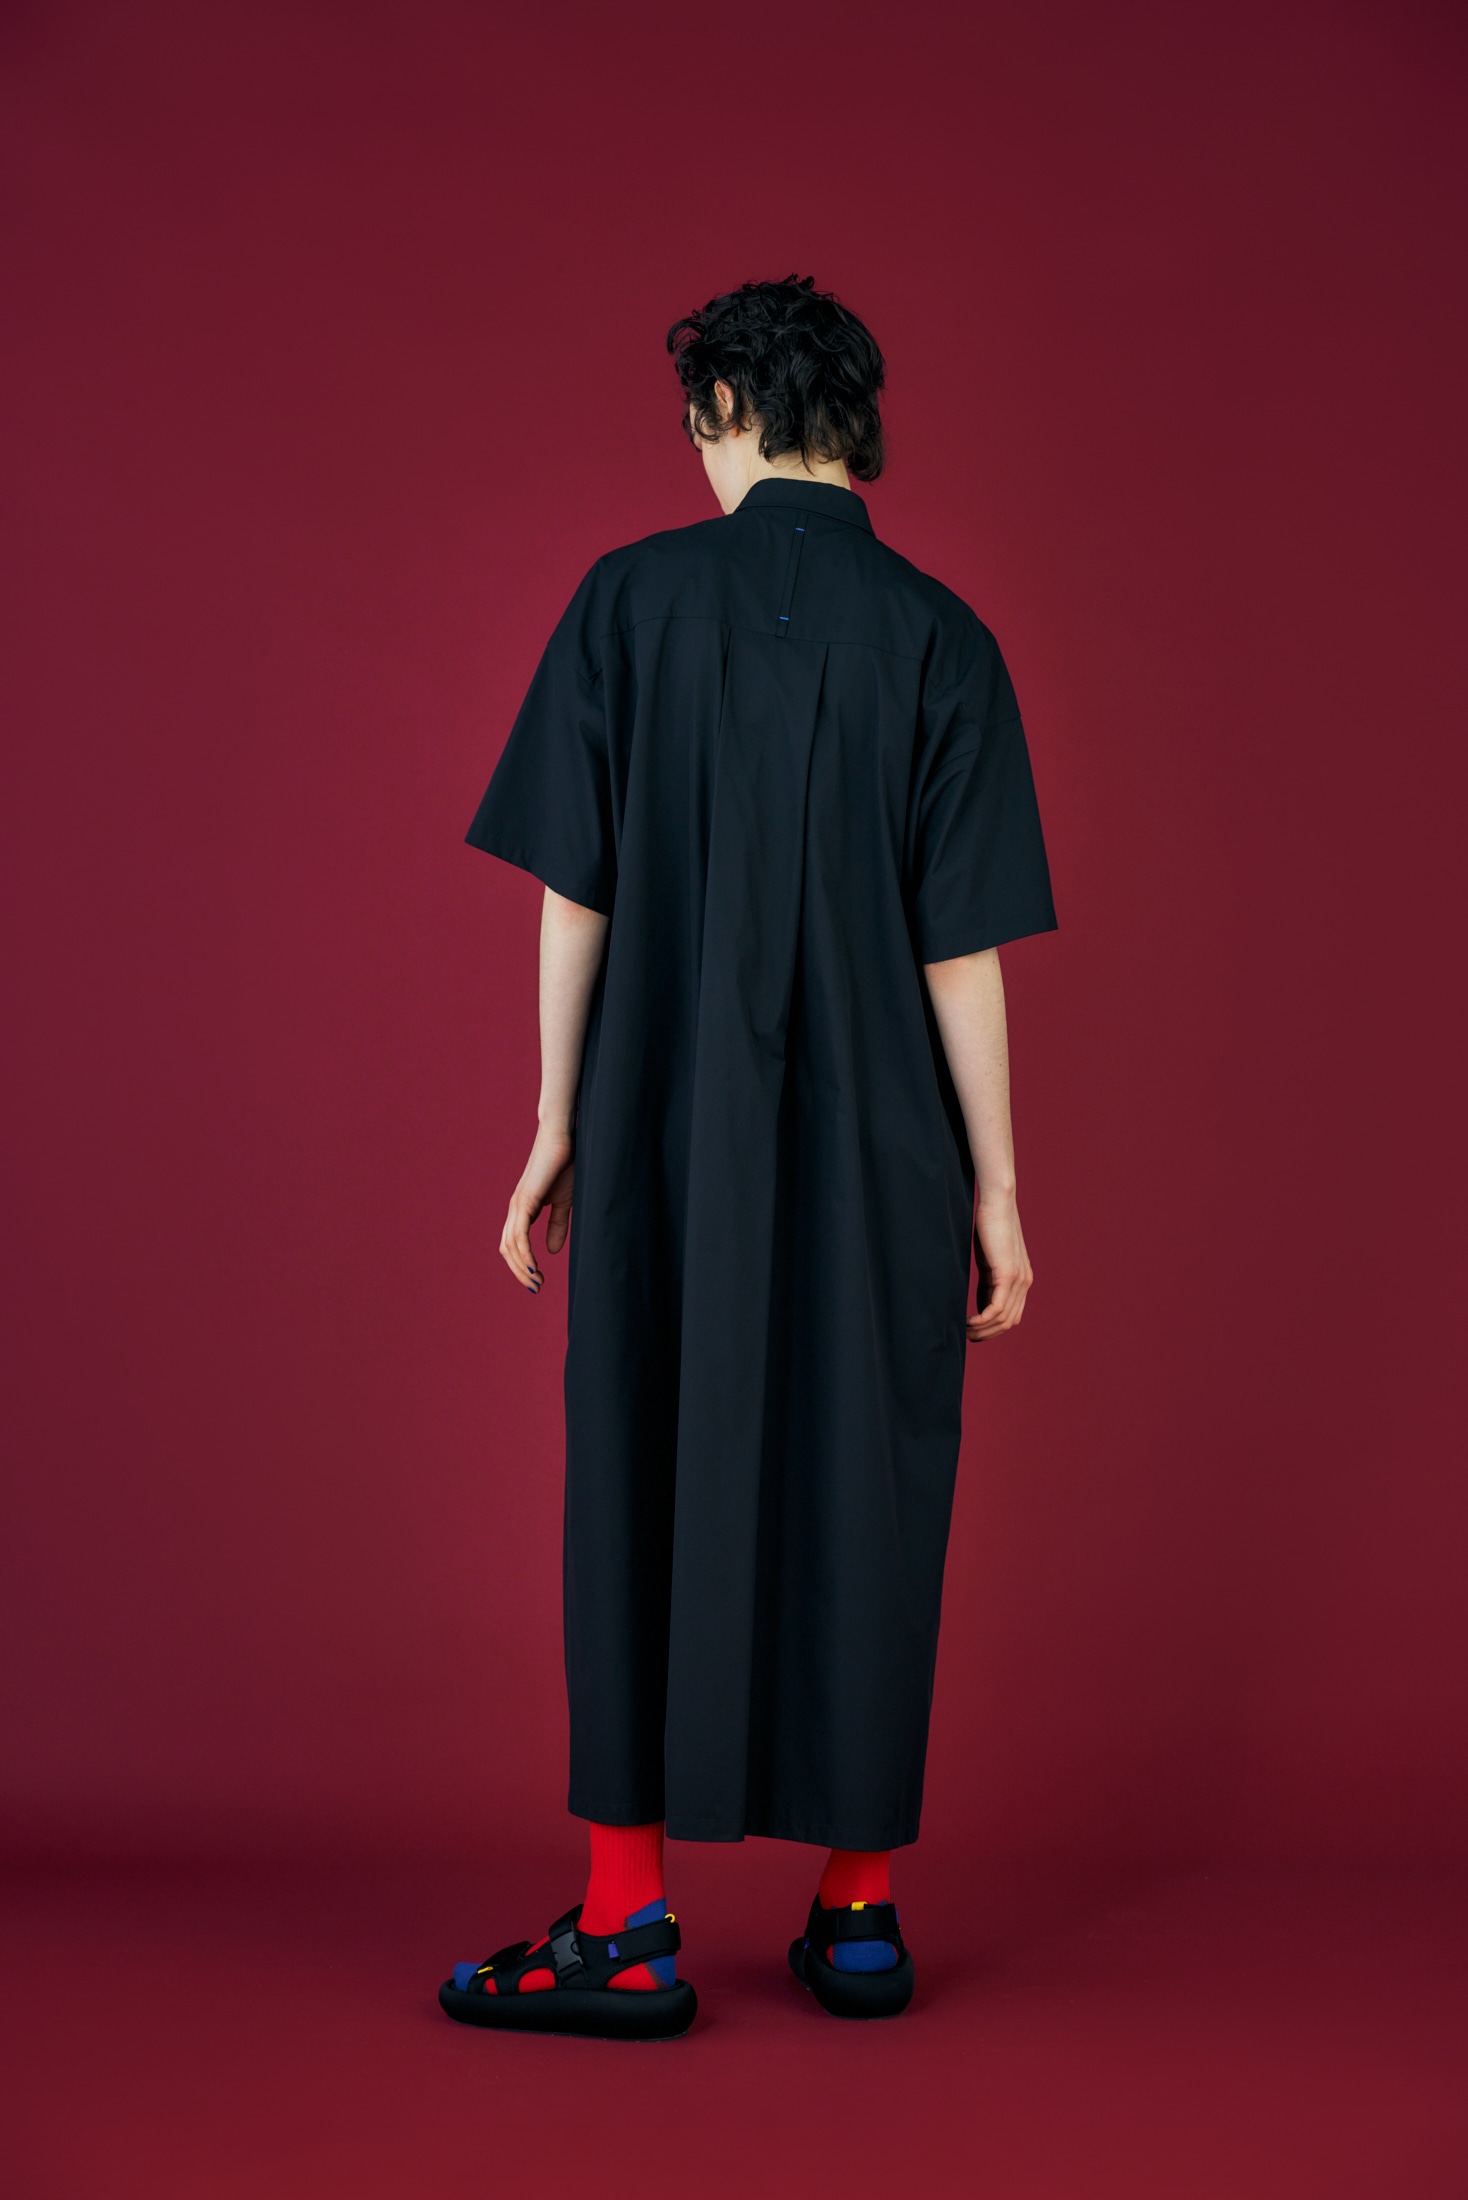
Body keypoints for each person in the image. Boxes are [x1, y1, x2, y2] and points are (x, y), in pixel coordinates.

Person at [440, 275, 1056, 2039]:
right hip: (885, 1142)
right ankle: (857, 1917)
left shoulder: (628, 600)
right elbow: (962, 948)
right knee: (872, 1476)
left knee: (637, 1456)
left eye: (693, 422)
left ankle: (624, 1923)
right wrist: (997, 1188)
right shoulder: (944, 638)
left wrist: (556, 1120)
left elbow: (577, 893)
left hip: (659, 1117)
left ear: (723, 406)